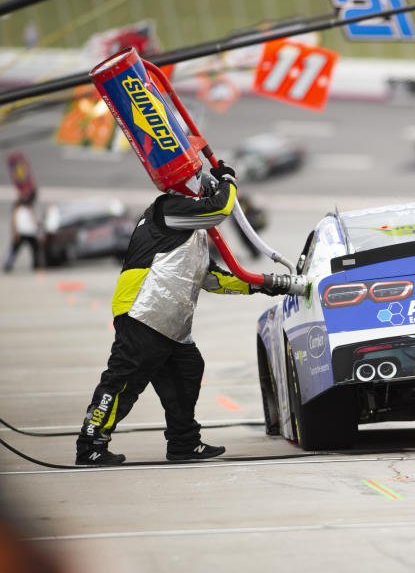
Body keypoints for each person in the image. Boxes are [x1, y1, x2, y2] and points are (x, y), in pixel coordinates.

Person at [75, 161, 282, 465]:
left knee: (188, 370)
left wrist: (261, 285)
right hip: (142, 312)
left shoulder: (190, 230)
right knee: (123, 382)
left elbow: (212, 278)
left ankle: (184, 442)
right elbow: (219, 209)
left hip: (168, 322)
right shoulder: (169, 208)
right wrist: (228, 180)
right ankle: (90, 444)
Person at [3, 190, 44, 272]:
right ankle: (7, 265)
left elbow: (32, 218)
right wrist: (15, 231)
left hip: (30, 232)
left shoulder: (29, 206)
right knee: (14, 249)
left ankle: (36, 266)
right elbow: (14, 219)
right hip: (21, 232)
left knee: (36, 249)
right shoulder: (17, 206)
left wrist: (37, 226)